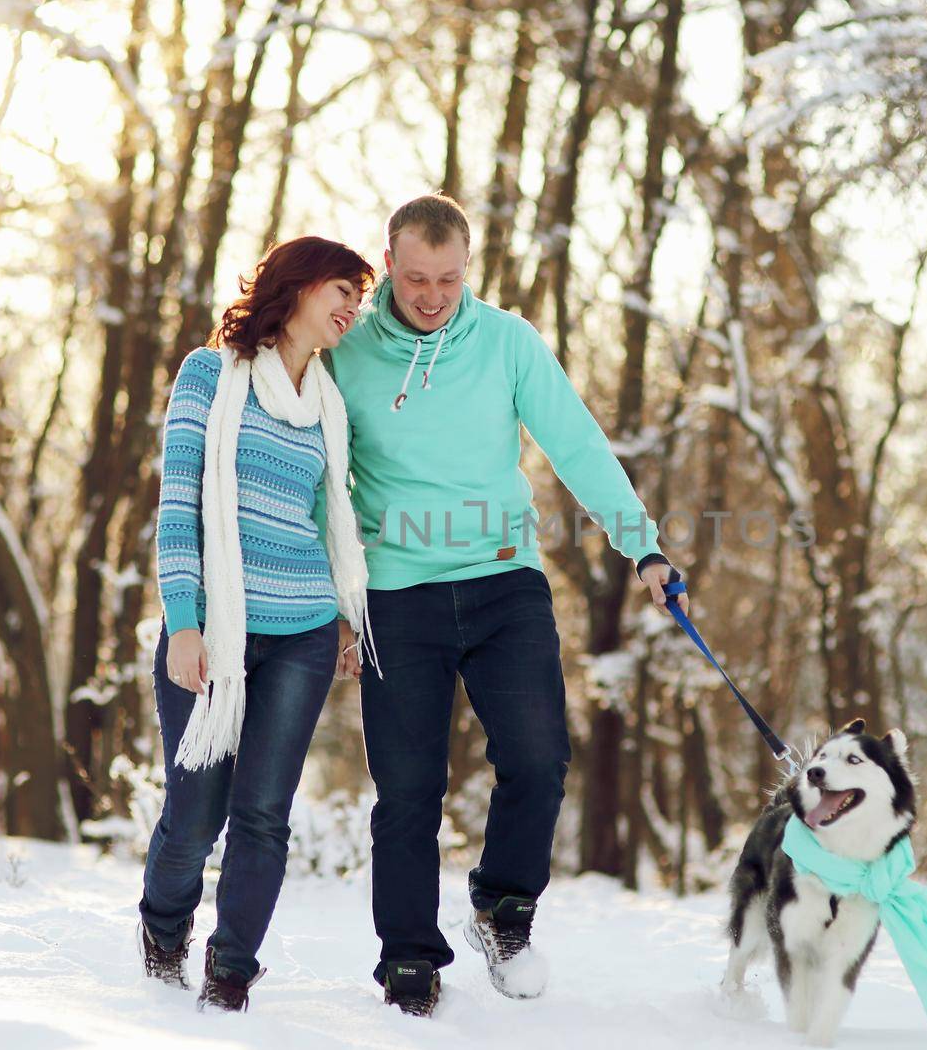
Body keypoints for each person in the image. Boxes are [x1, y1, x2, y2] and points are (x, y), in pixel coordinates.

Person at [328, 193, 687, 1016]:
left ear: (468, 269)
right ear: (388, 265)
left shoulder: (507, 342)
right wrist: (342, 598)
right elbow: (328, 488)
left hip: (503, 584)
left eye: (448, 279)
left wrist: (645, 545)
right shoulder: (348, 354)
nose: (431, 294)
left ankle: (503, 903)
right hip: (397, 591)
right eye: (415, 277)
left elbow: (577, 442)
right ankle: (410, 956)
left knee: (537, 757)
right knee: (409, 786)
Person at [137, 235, 375, 1012]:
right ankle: (163, 928)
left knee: (264, 813)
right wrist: (183, 621)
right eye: (341, 289)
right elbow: (178, 503)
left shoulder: (328, 404)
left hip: (303, 629)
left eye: (359, 298)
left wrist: (344, 616)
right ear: (297, 286)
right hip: (215, 631)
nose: (351, 308)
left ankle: (231, 968)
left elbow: (325, 514)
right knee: (194, 814)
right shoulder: (210, 375)